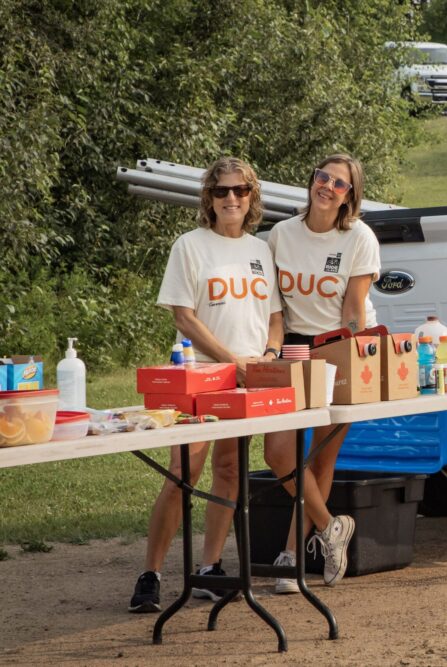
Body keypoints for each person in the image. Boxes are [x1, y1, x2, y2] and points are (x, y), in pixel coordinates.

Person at [129, 157, 284, 613]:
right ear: (208, 199)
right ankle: (151, 574)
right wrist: (230, 360)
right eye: (221, 192)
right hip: (200, 374)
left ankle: (210, 568)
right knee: (183, 473)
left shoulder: (261, 250)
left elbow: (274, 318)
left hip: (246, 378)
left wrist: (269, 357)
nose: (231, 199)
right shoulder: (190, 246)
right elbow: (183, 315)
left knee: (231, 470)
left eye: (240, 191)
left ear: (252, 196)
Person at [263, 153, 380, 592]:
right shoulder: (280, 234)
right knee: (278, 453)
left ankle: (292, 556)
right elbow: (273, 304)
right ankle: (332, 528)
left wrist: (355, 361)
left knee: (320, 457)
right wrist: (272, 351)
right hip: (293, 345)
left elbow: (354, 310)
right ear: (311, 180)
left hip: (338, 347)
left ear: (350, 196)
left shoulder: (359, 237)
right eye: (322, 177)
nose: (327, 187)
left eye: (339, 184)